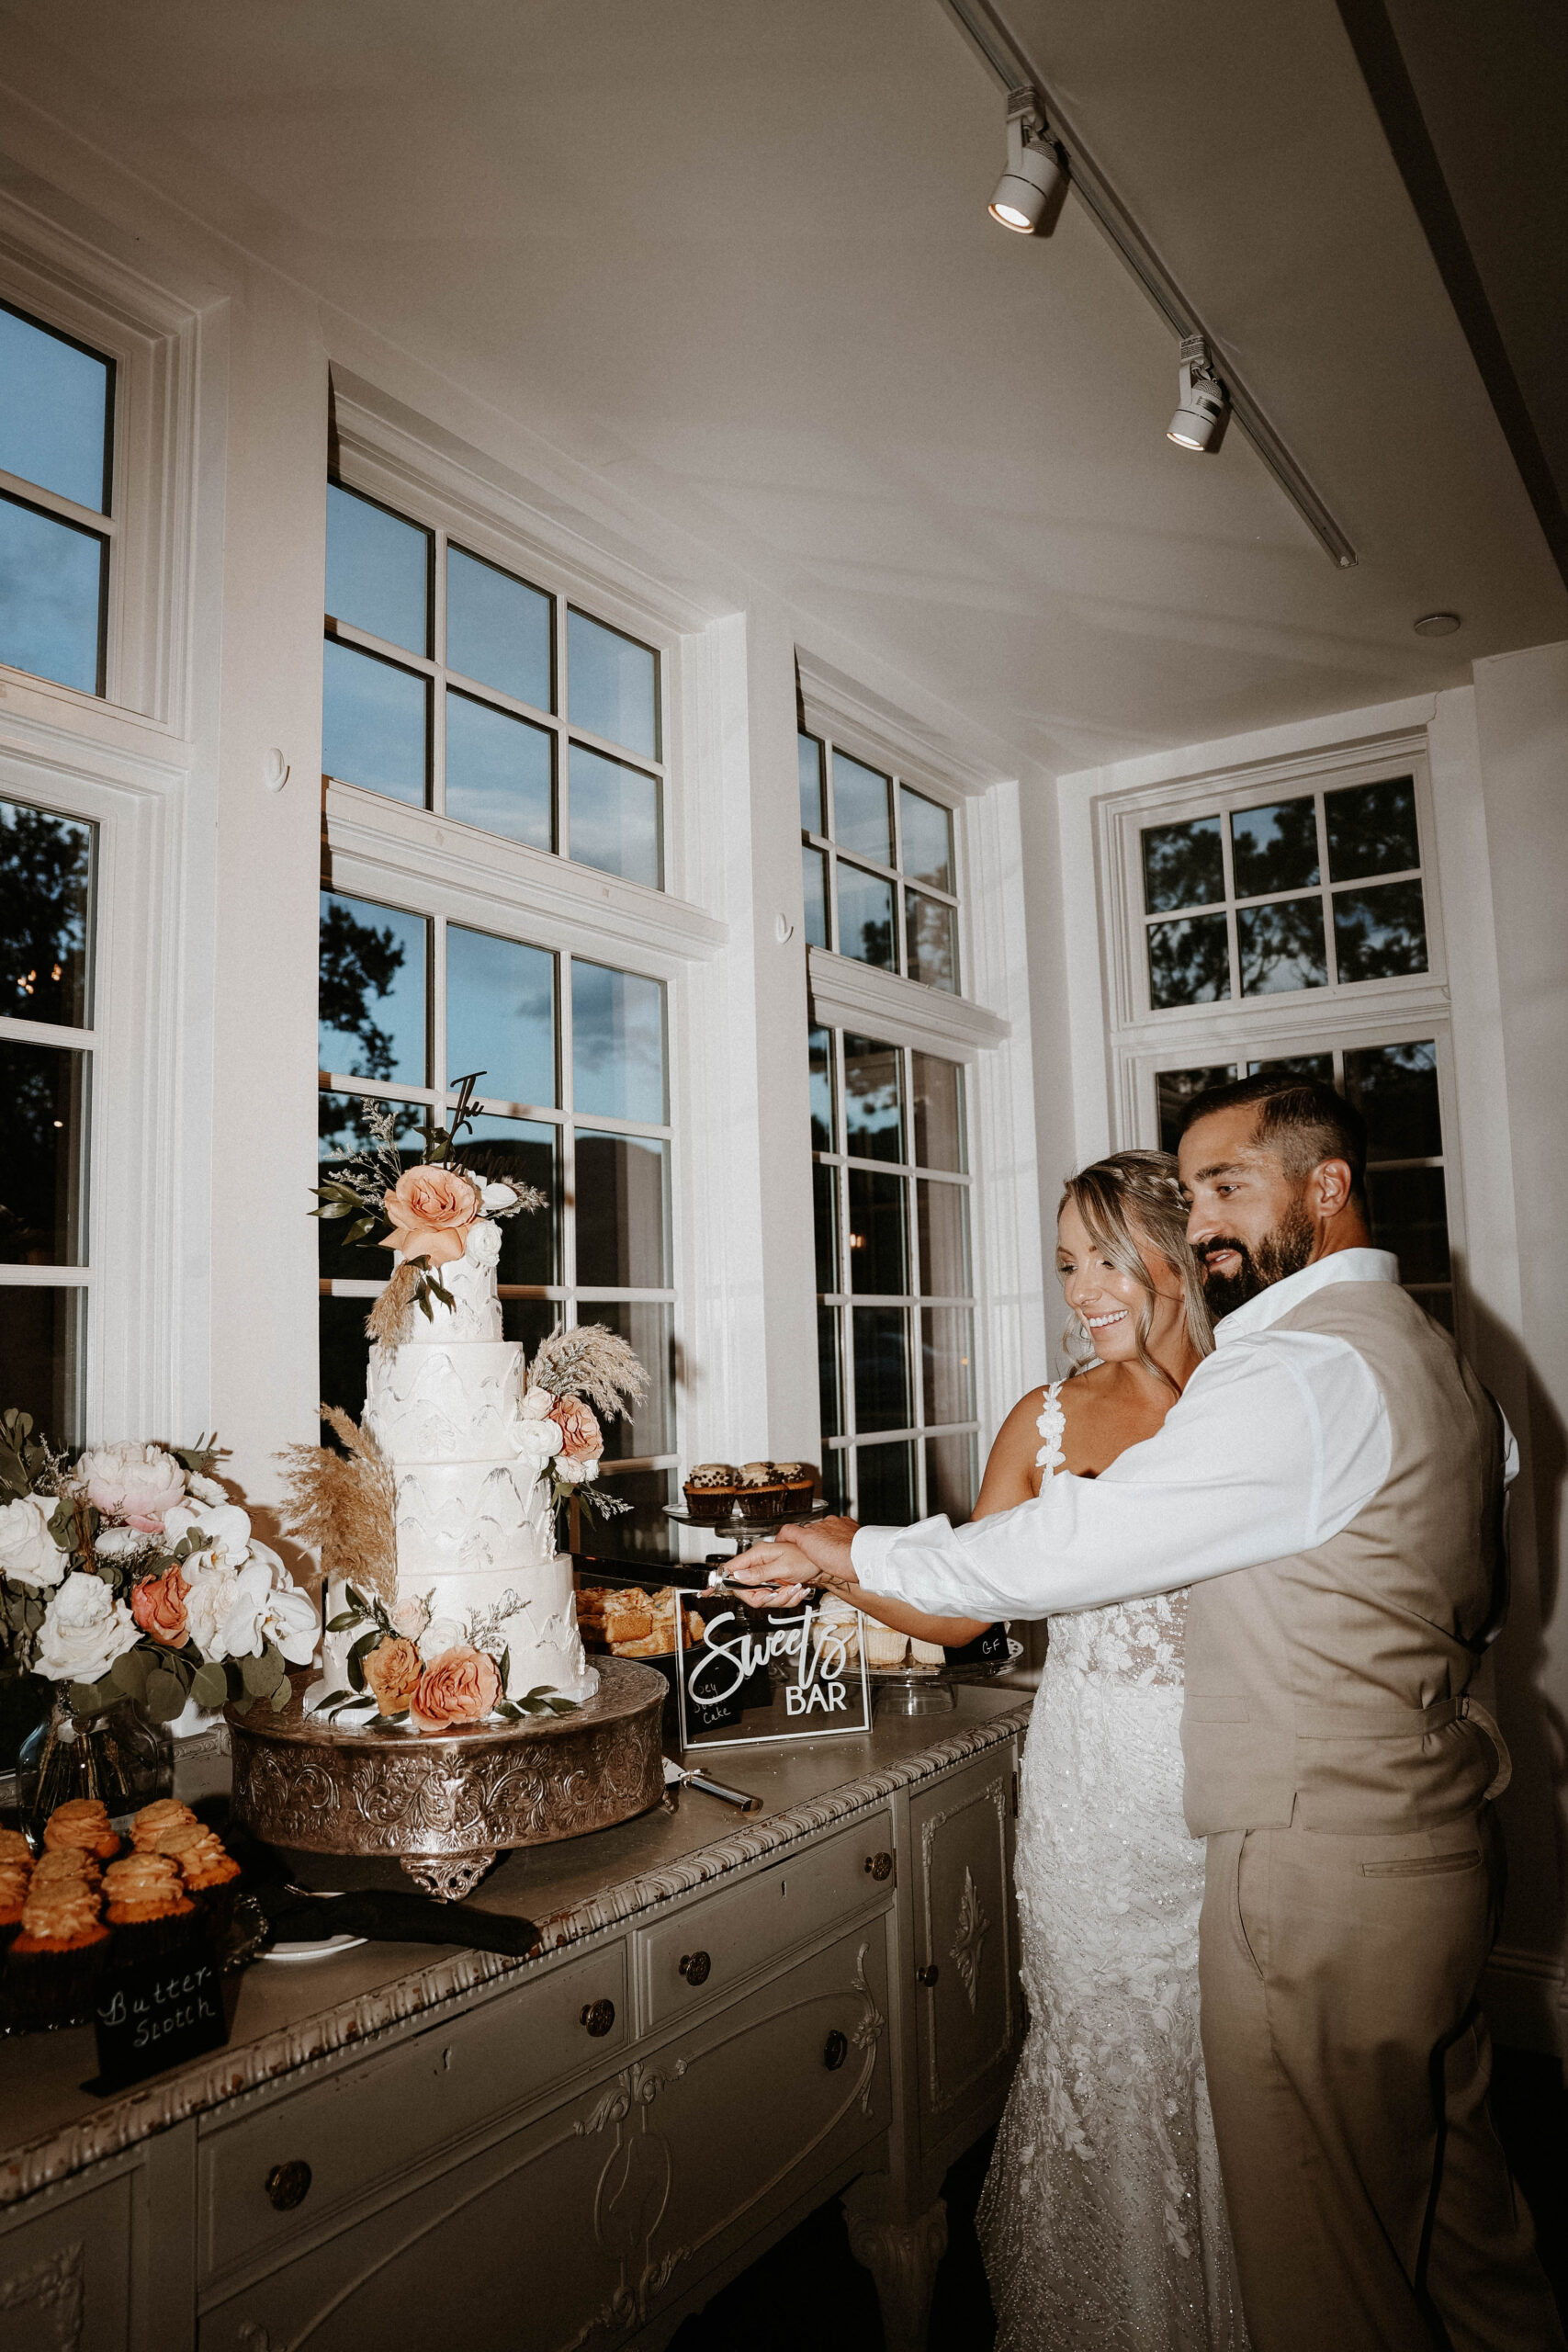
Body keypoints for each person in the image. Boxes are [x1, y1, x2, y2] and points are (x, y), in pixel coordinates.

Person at [740, 1076, 1563, 2352]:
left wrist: (854, 1545)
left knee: (1328, 2271)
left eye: (1229, 1186)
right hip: (1426, 1834)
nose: (1208, 1218)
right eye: (1200, 1192)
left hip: (1315, 1860)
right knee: (1459, 2220)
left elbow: (1072, 1544)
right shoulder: (1439, 1363)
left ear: (1324, 1187)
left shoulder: (1289, 1379)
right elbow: (1476, 1604)